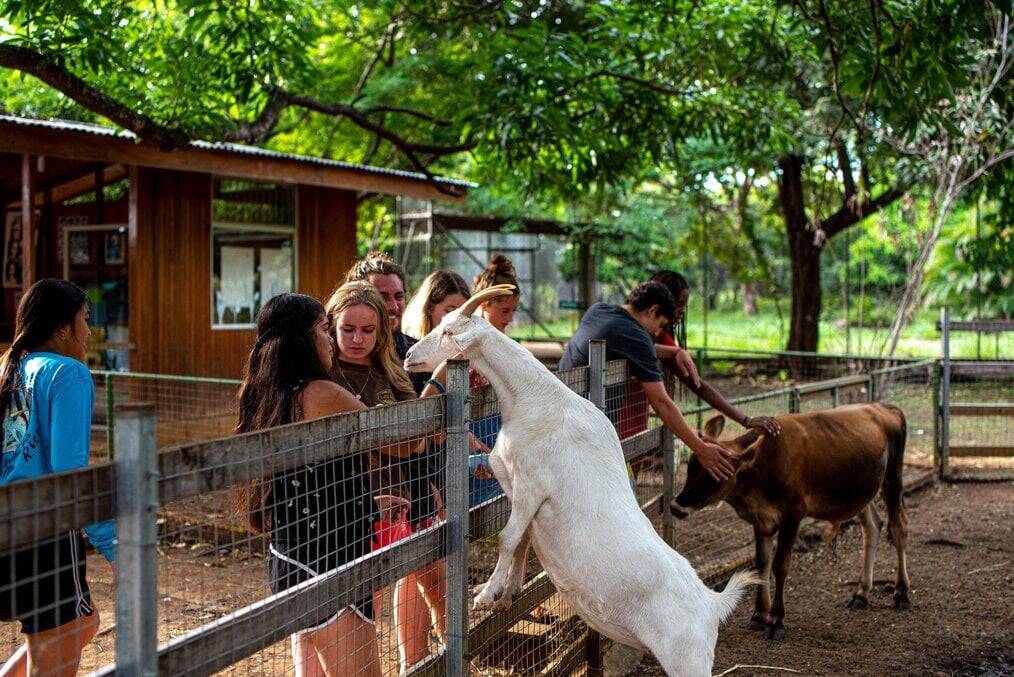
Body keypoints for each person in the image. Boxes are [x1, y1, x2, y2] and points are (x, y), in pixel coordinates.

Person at [234, 292, 380, 677]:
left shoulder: (269, 394)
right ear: (302, 338)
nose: (331, 339)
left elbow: (307, 480)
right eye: (324, 329)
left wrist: (367, 501)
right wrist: (442, 382)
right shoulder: (320, 393)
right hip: (329, 564)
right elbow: (402, 439)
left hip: (291, 557)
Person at [0, 279, 116, 676]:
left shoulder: (9, 368)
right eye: (85, 318)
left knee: (81, 623)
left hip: (7, 523)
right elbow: (71, 472)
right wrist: (113, 543)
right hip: (45, 529)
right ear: (63, 327)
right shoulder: (69, 374)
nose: (89, 330)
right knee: (57, 657)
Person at [324, 281, 437, 674]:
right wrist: (392, 437)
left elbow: (417, 440)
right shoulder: (326, 376)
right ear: (331, 327)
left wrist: (383, 439)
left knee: (375, 601)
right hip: (348, 508)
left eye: (368, 331)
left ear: (381, 332)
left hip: (395, 505)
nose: (357, 339)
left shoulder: (390, 371)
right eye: (348, 330)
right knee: (343, 612)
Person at [557, 281, 735, 481]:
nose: (657, 334)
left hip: (562, 419)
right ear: (652, 310)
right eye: (660, 326)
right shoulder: (637, 337)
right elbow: (661, 402)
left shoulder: (599, 311)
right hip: (590, 437)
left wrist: (675, 351)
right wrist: (700, 448)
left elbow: (632, 344)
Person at [343, 252, 428, 394]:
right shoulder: (334, 356)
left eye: (399, 296)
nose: (394, 306)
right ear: (356, 297)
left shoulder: (417, 352)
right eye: (383, 297)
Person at [401, 270, 471, 343]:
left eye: (463, 314)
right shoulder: (405, 347)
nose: (457, 320)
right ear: (429, 307)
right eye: (450, 312)